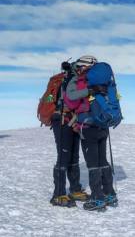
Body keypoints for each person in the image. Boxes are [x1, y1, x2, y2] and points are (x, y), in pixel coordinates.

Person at [66, 55, 117, 211]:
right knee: (103, 160)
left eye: (79, 67)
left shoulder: (82, 80)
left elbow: (70, 97)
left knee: (93, 164)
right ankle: (110, 194)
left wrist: (87, 89)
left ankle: (97, 198)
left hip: (88, 127)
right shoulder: (105, 80)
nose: (78, 69)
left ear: (83, 66)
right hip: (103, 125)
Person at [50, 61, 89, 207]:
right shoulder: (69, 79)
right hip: (61, 119)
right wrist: (89, 90)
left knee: (74, 156)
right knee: (64, 156)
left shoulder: (78, 79)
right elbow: (71, 97)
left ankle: (75, 189)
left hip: (72, 120)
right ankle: (58, 195)